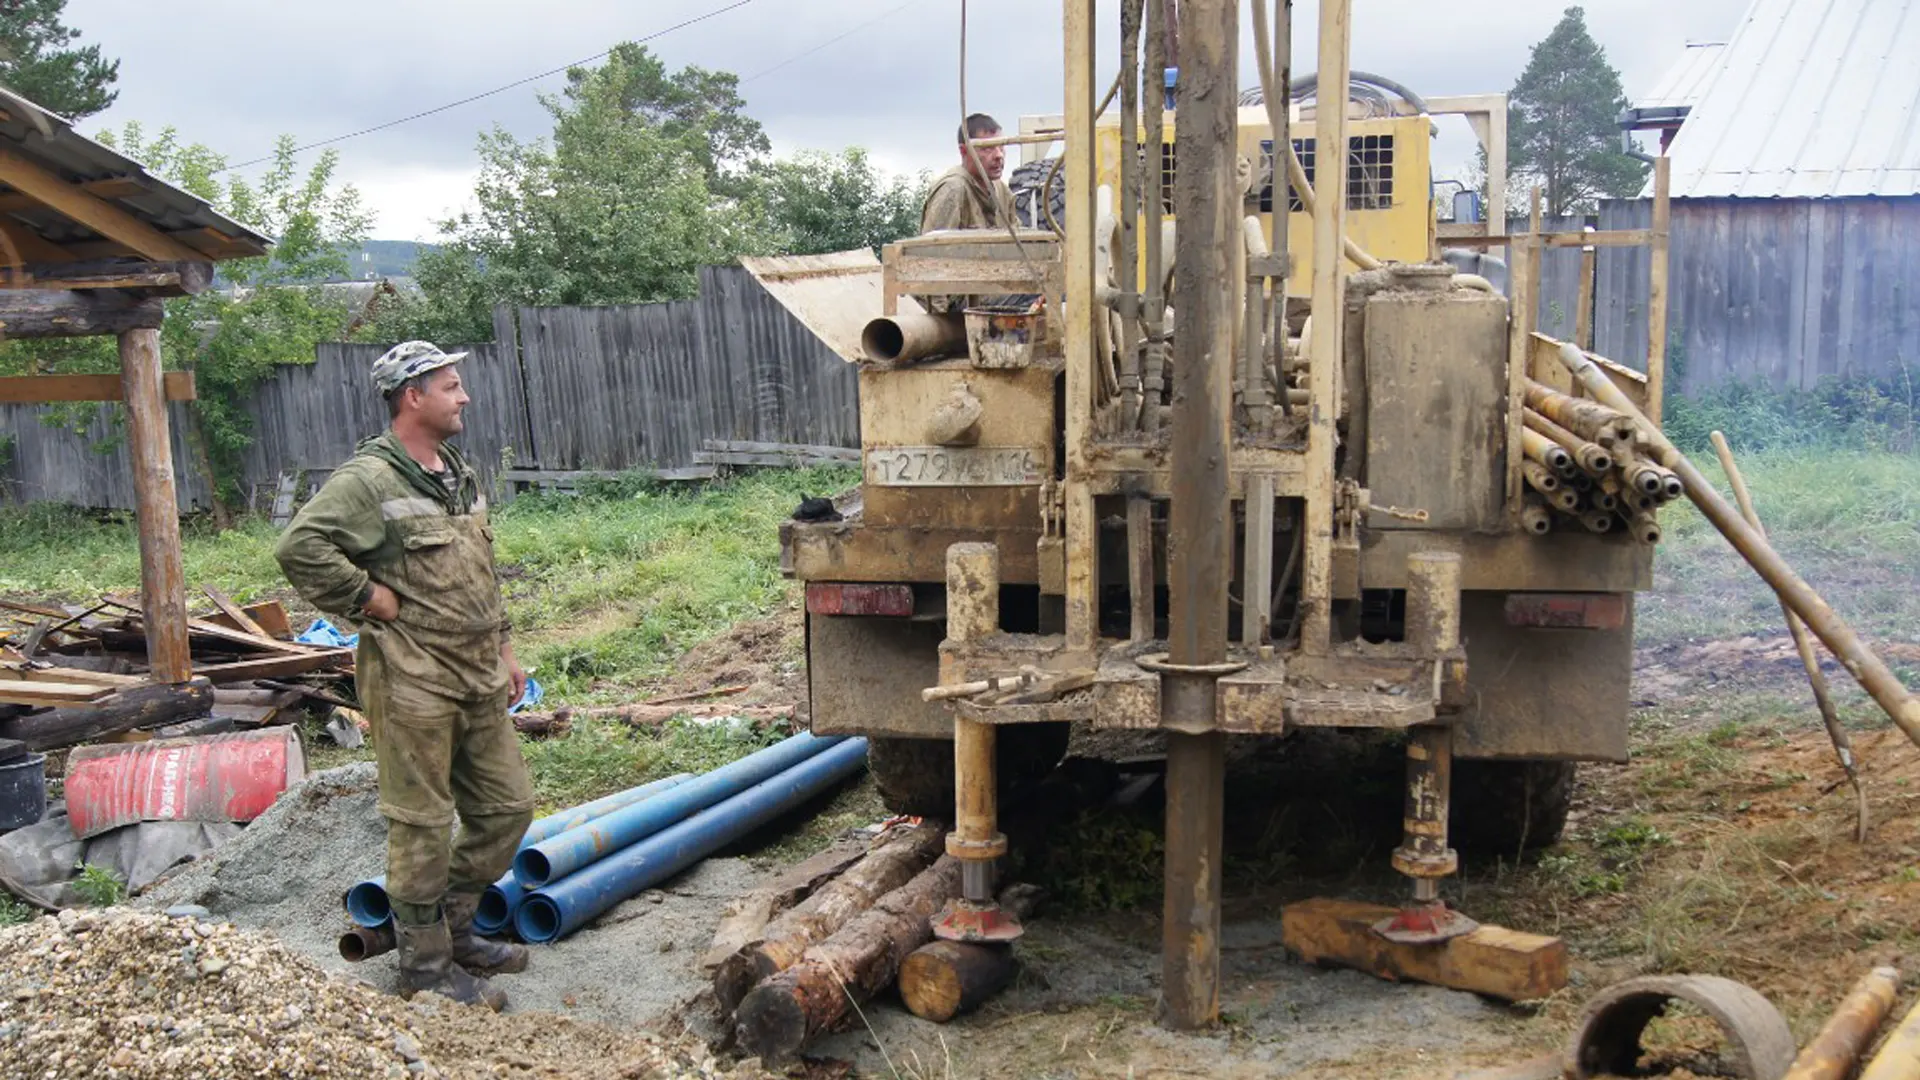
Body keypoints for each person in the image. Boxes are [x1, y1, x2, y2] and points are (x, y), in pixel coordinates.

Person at [274, 340, 533, 1012]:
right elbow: (300, 545)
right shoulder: (368, 482)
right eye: (451, 386)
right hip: (413, 676)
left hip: (476, 672)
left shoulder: (456, 472)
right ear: (412, 397)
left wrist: (504, 650)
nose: (464, 396)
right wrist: (367, 597)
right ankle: (423, 969)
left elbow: (478, 570)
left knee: (507, 810)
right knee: (420, 822)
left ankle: (453, 932)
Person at [919, 112, 1023, 315]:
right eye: (987, 148)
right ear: (964, 151)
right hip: (960, 302)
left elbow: (1020, 246)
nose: (999, 155)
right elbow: (928, 259)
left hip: (993, 290)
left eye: (1001, 146)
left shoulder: (1001, 191)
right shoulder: (953, 190)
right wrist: (939, 323)